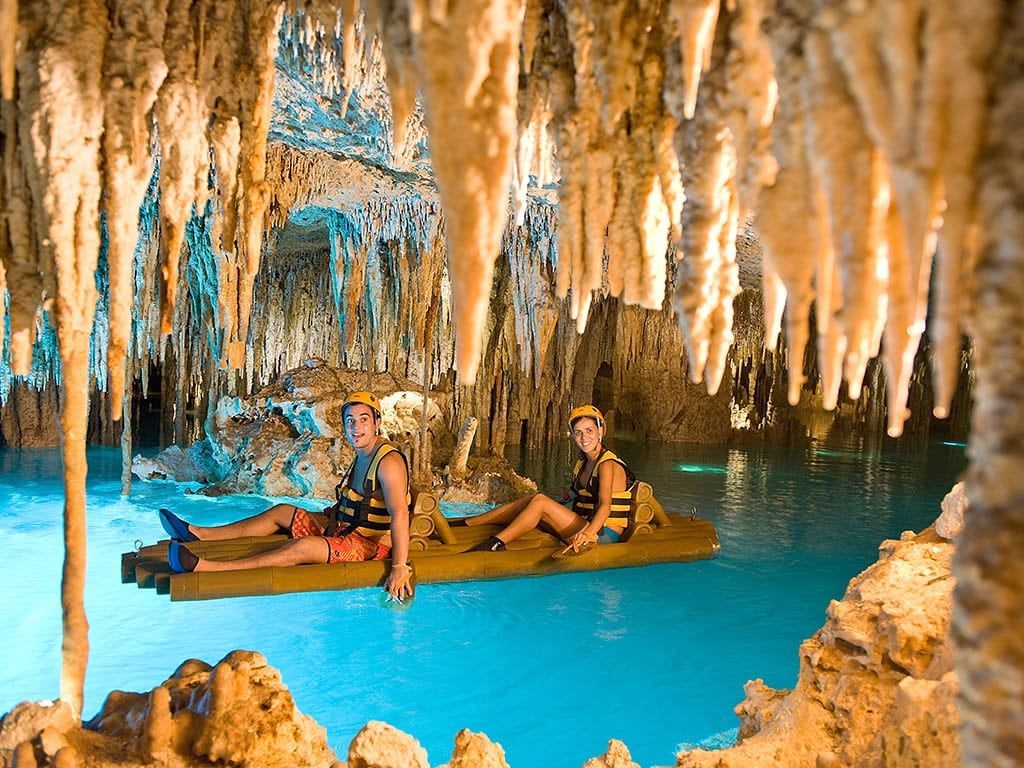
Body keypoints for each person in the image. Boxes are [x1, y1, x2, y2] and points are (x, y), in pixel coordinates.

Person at [158, 391, 414, 600]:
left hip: (370, 546)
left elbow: (400, 513)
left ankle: (208, 567)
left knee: (303, 547)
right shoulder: (363, 454)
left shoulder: (388, 462)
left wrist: (399, 566)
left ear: (377, 423)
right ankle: (200, 534)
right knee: (282, 511)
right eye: (350, 420)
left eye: (364, 419)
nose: (356, 427)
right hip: (344, 528)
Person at [461, 404, 637, 555]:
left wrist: (587, 534)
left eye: (589, 430)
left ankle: (494, 544)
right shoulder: (583, 462)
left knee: (540, 502)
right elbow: (572, 494)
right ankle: (468, 523)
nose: (584, 438)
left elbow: (605, 506)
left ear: (601, 430)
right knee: (534, 499)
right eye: (578, 433)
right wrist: (552, 503)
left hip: (604, 534)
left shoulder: (607, 464)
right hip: (586, 524)